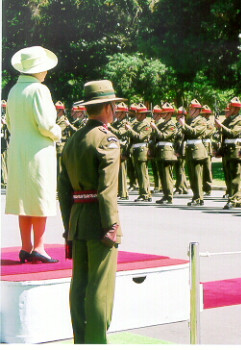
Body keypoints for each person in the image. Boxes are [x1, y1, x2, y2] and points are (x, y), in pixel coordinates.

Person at [58, 79, 124, 343]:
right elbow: (108, 189)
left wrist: (68, 227)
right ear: (107, 107)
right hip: (99, 220)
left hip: (77, 219)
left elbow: (63, 190)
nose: (116, 110)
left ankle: (82, 341)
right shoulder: (106, 139)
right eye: (115, 106)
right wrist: (112, 225)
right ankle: (97, 342)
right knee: (100, 288)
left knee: (80, 285)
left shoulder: (73, 140)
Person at [5, 46, 61, 263]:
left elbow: (9, 124)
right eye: (44, 68)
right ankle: (39, 246)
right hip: (38, 150)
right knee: (39, 197)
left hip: (18, 148)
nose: (46, 72)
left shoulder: (13, 91)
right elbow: (46, 125)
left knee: (23, 199)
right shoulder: (39, 90)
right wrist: (58, 132)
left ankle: (25, 246)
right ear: (38, 70)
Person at [215, 97, 241, 209]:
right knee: (229, 177)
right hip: (227, 151)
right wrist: (220, 150)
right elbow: (223, 137)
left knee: (235, 178)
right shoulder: (228, 120)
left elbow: (233, 133)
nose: (229, 108)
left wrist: (221, 126)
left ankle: (233, 199)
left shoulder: (240, 120)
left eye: (231, 107)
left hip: (236, 150)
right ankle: (237, 198)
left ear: (236, 109)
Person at [178, 99, 208, 206]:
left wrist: (184, 125)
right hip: (190, 150)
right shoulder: (190, 121)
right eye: (190, 108)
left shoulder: (202, 121)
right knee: (192, 176)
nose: (190, 110)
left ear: (197, 110)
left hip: (197, 150)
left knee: (197, 176)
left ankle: (199, 198)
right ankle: (195, 196)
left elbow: (195, 132)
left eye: (192, 108)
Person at [151, 102, 177, 204]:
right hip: (159, 151)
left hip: (167, 152)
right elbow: (155, 138)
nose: (162, 114)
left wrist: (155, 128)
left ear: (170, 113)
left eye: (165, 112)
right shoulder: (161, 124)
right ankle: (165, 195)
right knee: (162, 175)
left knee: (167, 176)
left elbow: (163, 136)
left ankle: (169, 196)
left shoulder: (171, 125)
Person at [125, 103, 153, 201]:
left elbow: (139, 137)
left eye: (139, 114)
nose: (136, 115)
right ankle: (145, 193)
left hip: (142, 150)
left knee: (142, 173)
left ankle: (145, 194)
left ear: (144, 115)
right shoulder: (136, 124)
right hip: (136, 151)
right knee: (139, 173)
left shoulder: (146, 125)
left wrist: (130, 130)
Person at [108, 101, 131, 200]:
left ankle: (123, 192)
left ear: (123, 113)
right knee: (117, 171)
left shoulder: (125, 123)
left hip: (122, 148)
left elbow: (120, 133)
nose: (116, 114)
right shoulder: (116, 123)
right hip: (116, 147)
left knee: (122, 172)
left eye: (118, 112)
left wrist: (110, 127)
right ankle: (119, 191)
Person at [174, 106, 190, 194]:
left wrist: (179, 151)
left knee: (180, 168)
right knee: (179, 169)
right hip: (177, 148)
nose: (177, 116)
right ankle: (183, 187)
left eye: (179, 115)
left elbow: (182, 138)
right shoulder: (177, 125)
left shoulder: (184, 125)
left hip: (181, 149)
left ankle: (180, 188)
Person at [201, 105, 215, 196]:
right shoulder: (200, 122)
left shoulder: (210, 124)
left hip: (206, 147)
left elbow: (206, 133)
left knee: (207, 168)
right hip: (199, 146)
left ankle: (208, 187)